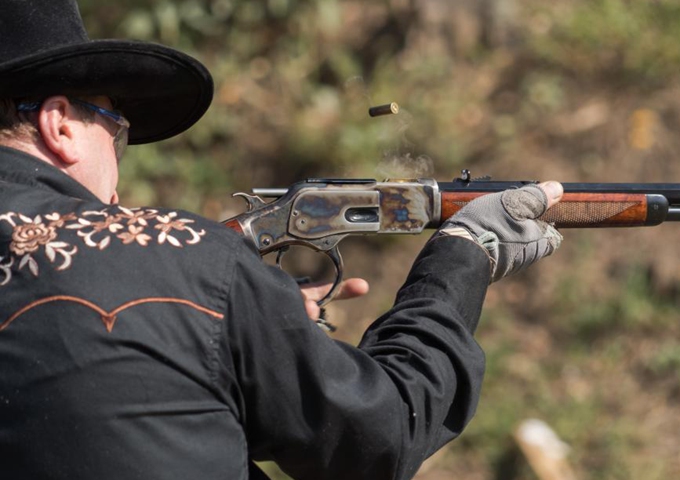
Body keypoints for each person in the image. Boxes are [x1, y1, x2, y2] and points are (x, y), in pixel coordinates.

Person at [0, 1, 564, 479]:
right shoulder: (185, 261)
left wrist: (241, 337)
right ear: (61, 125)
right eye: (116, 128)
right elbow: (384, 432)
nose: (119, 162)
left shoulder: (199, 279)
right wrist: (464, 254)